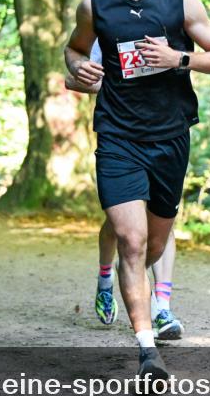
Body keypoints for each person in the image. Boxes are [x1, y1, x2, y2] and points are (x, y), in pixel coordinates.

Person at [63, 0, 210, 379]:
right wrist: (79, 68)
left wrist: (179, 58)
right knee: (131, 240)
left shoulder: (181, 1)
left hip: (170, 137)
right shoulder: (96, 6)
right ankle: (146, 349)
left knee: (154, 243)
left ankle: (126, 283)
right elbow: (75, 50)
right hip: (118, 136)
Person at [74, 40, 184, 342]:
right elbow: (86, 81)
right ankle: (106, 276)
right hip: (122, 139)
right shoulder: (109, 27)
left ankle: (162, 308)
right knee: (120, 226)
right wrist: (85, 79)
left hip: (165, 137)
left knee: (163, 220)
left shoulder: (172, 25)